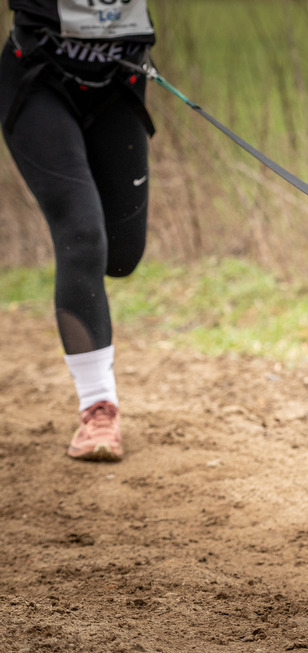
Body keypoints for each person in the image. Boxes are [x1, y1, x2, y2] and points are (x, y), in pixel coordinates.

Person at [0, 0, 156, 461]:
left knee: (121, 256)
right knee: (82, 234)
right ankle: (98, 409)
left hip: (120, 79)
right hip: (38, 80)